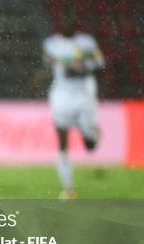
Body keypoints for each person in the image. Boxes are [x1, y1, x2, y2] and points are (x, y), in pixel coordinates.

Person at [43, 13, 104, 199]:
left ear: (76, 23)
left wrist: (81, 67)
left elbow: (100, 63)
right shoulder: (51, 43)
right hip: (61, 95)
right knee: (62, 140)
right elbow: (49, 63)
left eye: (71, 19)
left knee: (90, 145)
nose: (67, 23)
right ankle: (69, 189)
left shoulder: (87, 42)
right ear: (59, 23)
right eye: (64, 19)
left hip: (83, 94)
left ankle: (92, 133)